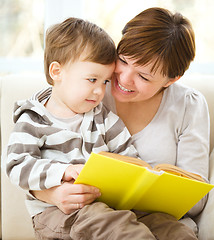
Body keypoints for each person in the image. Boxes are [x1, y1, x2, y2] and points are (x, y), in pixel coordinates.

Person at [11, 7, 209, 240]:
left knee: (174, 230)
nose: (122, 79)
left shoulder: (185, 106)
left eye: (144, 76)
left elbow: (129, 160)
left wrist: (138, 177)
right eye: (122, 60)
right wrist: (55, 189)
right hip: (79, 214)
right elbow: (20, 162)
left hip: (128, 213)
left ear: (171, 79)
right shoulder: (86, 94)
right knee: (109, 222)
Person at [6, 17, 140, 239]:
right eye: (91, 79)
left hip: (107, 211)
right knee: (106, 220)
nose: (100, 91)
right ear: (57, 72)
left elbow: (130, 159)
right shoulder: (33, 119)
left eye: (105, 82)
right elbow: (16, 165)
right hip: (55, 215)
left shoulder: (105, 118)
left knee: (167, 225)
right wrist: (63, 171)